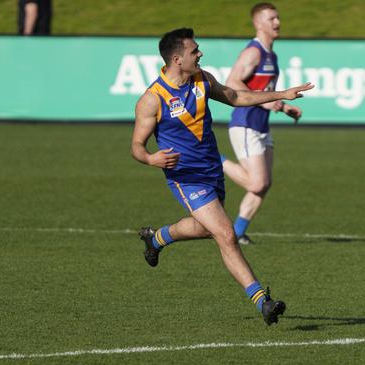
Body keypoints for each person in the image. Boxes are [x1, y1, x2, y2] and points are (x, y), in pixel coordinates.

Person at [131, 27, 312, 325]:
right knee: (226, 234)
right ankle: (262, 302)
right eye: (194, 51)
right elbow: (136, 146)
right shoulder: (152, 99)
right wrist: (151, 157)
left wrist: (282, 94)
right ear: (177, 59)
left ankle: (157, 238)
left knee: (205, 229)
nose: (200, 53)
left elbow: (235, 96)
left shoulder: (202, 79)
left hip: (212, 168)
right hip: (185, 176)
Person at [222, 3, 303, 245]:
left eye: (278, 18)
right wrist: (266, 103)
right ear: (258, 23)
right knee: (257, 182)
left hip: (261, 126)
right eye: (271, 18)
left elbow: (263, 90)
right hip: (245, 123)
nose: (277, 22)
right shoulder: (253, 52)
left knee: (263, 185)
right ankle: (215, 159)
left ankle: (237, 232)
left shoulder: (272, 55)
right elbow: (231, 82)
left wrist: (282, 105)